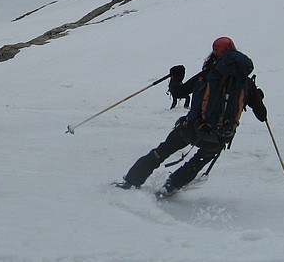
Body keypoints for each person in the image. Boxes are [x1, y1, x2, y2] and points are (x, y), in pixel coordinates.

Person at [114, 37, 267, 198]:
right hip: (220, 136)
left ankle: (131, 181)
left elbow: (179, 92)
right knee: (196, 163)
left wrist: (176, 77)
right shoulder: (246, 83)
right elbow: (262, 115)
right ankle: (170, 186)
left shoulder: (210, 74)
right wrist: (257, 98)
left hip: (192, 128)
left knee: (162, 151)